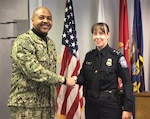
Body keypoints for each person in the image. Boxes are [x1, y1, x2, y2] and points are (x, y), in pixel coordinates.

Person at [7, 7, 76, 119]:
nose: (45, 21)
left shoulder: (50, 43)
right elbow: (33, 71)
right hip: (26, 107)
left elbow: (49, 72)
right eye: (41, 17)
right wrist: (63, 80)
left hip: (47, 106)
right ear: (32, 20)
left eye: (49, 18)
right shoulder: (23, 41)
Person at [76, 22, 133, 119]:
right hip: (91, 105)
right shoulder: (89, 56)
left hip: (110, 105)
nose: (97, 37)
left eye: (101, 33)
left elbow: (127, 82)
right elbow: (83, 77)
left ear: (108, 35)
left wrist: (128, 108)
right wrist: (72, 80)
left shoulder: (116, 57)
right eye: (95, 33)